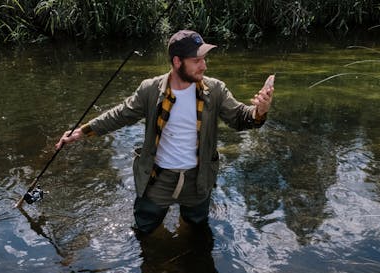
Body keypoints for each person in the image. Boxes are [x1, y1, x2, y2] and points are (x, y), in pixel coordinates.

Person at [55, 30, 274, 234]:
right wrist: (82, 131)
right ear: (177, 62)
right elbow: (120, 114)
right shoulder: (150, 89)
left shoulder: (215, 90)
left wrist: (260, 110)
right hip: (157, 179)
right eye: (197, 60)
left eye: (204, 59)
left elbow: (239, 118)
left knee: (196, 230)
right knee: (144, 229)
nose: (204, 66)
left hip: (197, 180)